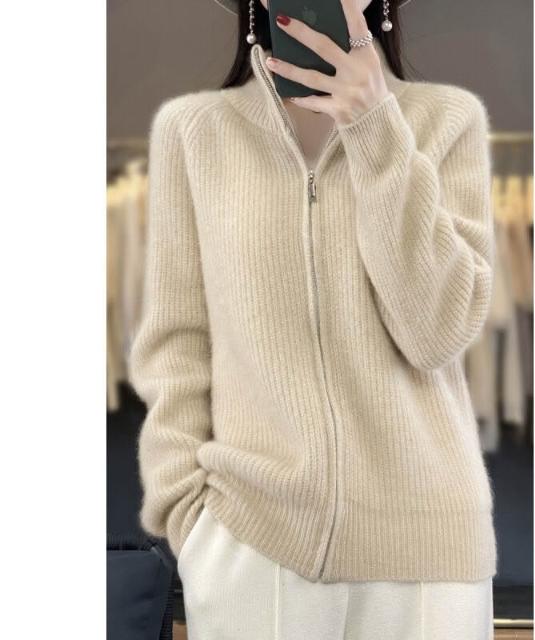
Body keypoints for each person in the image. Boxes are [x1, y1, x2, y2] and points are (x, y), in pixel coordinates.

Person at [129, 0, 498, 637]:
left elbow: (437, 332)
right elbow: (177, 342)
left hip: (427, 557)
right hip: (254, 546)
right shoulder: (195, 131)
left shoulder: (446, 120)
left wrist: (376, 127)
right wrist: (189, 519)